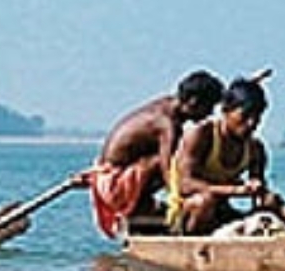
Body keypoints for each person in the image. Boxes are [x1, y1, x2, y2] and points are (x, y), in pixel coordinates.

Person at [87, 69, 223, 236]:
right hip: (114, 186)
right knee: (174, 163)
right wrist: (189, 199)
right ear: (193, 102)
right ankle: (141, 209)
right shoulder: (166, 125)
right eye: (209, 107)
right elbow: (170, 173)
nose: (209, 114)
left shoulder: (167, 105)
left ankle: (145, 206)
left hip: (115, 178)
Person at [167, 76, 285, 235]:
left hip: (221, 213)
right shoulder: (201, 135)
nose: (251, 123)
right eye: (245, 116)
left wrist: (279, 206)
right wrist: (236, 190)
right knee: (204, 201)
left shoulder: (255, 149)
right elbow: (185, 185)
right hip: (186, 214)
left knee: (284, 209)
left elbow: (259, 196)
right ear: (226, 111)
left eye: (257, 117)